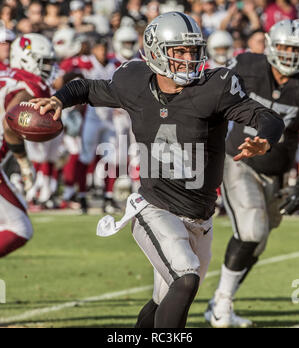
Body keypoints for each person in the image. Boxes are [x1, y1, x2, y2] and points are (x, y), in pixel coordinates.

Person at [31, 12, 284, 328]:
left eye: (192, 50)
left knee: (164, 300)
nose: (188, 58)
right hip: (156, 207)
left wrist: (265, 139)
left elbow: (267, 117)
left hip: (200, 216)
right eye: (179, 51)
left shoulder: (214, 88)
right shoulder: (134, 83)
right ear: (155, 51)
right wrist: (58, 99)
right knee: (186, 278)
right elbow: (85, 87)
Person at [204, 19, 299, 328]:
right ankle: (221, 306)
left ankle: (219, 302)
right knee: (252, 232)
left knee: (257, 244)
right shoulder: (247, 65)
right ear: (271, 45)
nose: (289, 55)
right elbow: (211, 93)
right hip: (239, 161)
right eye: (284, 47)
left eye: (295, 49)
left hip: (278, 173)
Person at [0, 33, 55, 257]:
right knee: (19, 228)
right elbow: (10, 122)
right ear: (27, 59)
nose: (49, 69)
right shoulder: (31, 84)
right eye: (44, 63)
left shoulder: (5, 73)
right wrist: (23, 162)